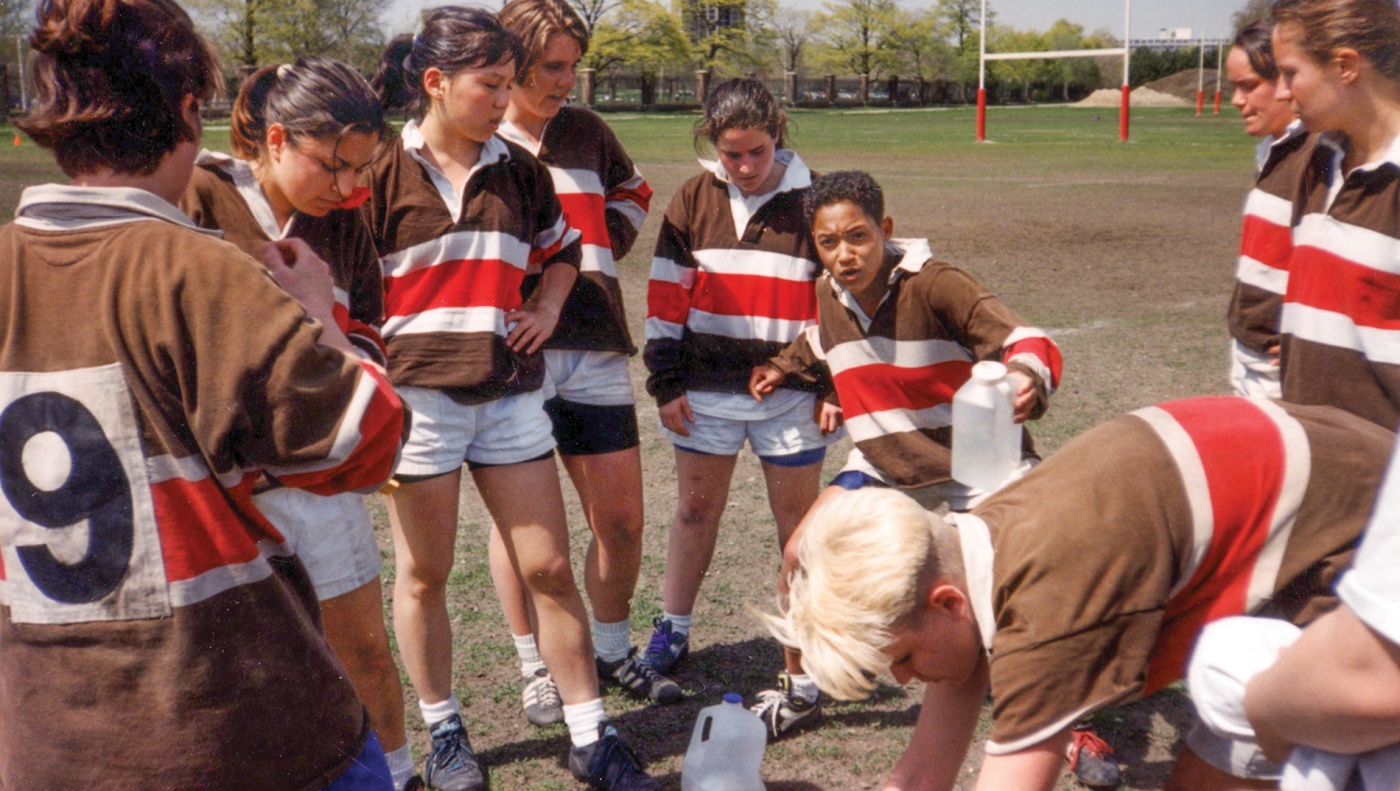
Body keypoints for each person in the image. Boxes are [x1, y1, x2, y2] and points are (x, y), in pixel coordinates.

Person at [0, 0, 409, 787]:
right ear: (192, 111)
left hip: (49, 734)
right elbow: (372, 438)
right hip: (223, 723)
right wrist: (322, 317)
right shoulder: (196, 264)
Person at [765, 395, 1395, 791]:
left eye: (900, 659)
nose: (901, 681)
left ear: (948, 603)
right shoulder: (964, 551)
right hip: (1340, 484)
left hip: (1359, 550)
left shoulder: (1046, 609)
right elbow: (923, 774)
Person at [365, 8, 657, 790]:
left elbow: (563, 250)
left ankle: (591, 735)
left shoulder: (521, 170)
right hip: (420, 404)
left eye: (507, 84)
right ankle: (445, 730)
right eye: (490, 85)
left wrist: (550, 306)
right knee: (425, 573)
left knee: (551, 565)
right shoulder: (377, 172)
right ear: (435, 82)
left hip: (509, 396)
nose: (504, 100)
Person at [747, 169, 1062, 742]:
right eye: (828, 242)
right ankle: (802, 693)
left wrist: (1025, 377)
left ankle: (1070, 714)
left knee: (1035, 579)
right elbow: (823, 341)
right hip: (882, 463)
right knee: (799, 555)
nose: (845, 254)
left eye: (858, 236)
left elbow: (1027, 338)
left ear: (884, 229)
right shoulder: (828, 292)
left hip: (974, 464)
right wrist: (781, 366)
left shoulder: (937, 283)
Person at [177, 58, 419, 791]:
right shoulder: (198, 197)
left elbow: (372, 331)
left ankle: (400, 774)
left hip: (323, 481)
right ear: (276, 138)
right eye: (336, 165)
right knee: (237, 669)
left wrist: (331, 337)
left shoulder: (343, 222)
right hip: (225, 491)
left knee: (365, 654)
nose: (351, 187)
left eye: (362, 167)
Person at [492, 0, 677, 724]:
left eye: (574, 65)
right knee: (524, 531)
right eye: (552, 67)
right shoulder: (484, 130)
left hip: (596, 341)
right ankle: (534, 664)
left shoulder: (589, 132)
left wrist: (600, 252)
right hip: (514, 354)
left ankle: (609, 646)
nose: (568, 80)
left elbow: (632, 193)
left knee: (622, 519)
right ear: (512, 63)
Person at [641, 78, 833, 694]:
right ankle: (673, 626)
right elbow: (666, 298)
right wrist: (666, 381)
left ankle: (806, 639)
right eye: (732, 153)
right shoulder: (693, 198)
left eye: (757, 150)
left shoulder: (818, 201)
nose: (746, 166)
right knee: (695, 511)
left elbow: (843, 306)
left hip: (793, 397)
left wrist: (826, 383)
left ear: (778, 134)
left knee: (798, 527)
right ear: (712, 143)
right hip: (705, 392)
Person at [1273, 0, 1400, 431]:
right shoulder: (1316, 160)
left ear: (1346, 65)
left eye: (1290, 73)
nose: (1280, 93)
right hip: (1314, 463)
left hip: (1383, 480)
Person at [1224, 21, 1310, 399]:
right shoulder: (1271, 150)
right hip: (1249, 359)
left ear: (1286, 81)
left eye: (1248, 86)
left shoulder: (1318, 155)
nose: (1237, 100)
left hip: (1284, 375)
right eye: (1234, 88)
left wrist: (1309, 336)